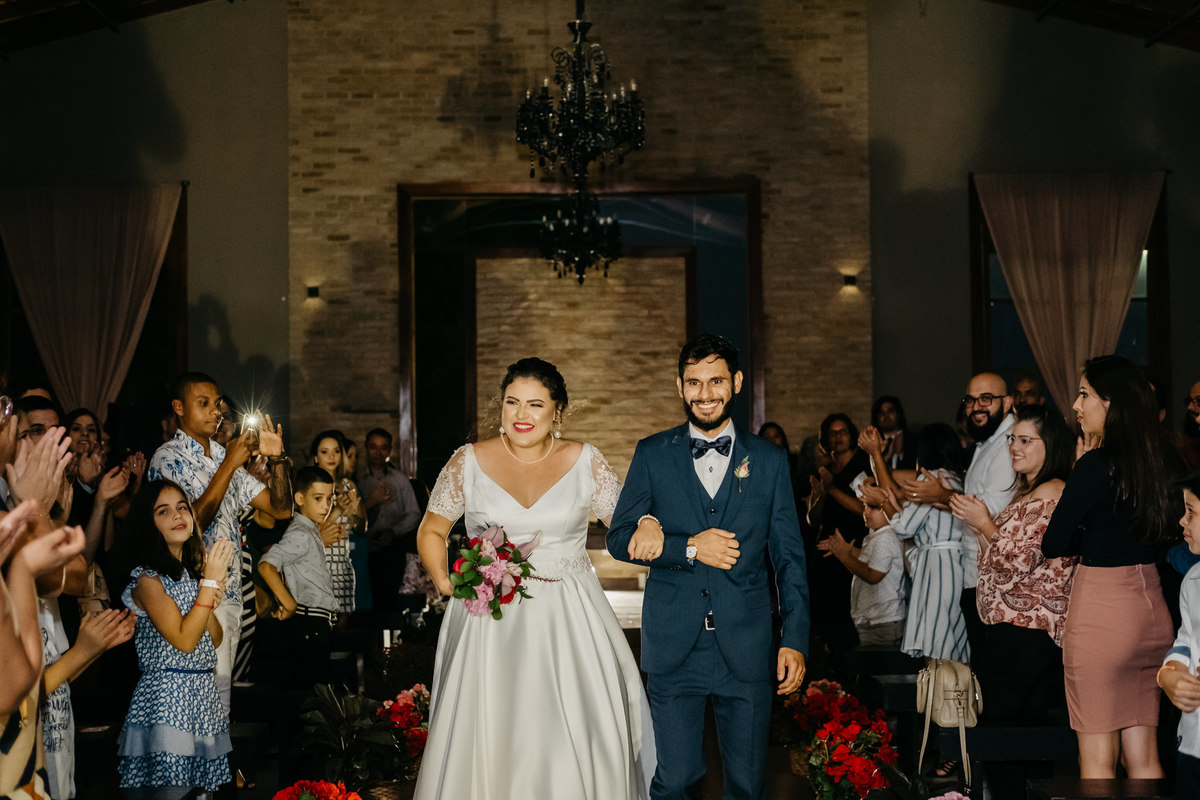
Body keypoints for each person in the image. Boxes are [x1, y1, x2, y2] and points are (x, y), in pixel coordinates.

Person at [415, 357, 654, 800]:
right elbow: (431, 530)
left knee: (572, 730)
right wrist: (447, 583)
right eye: (512, 403)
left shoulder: (586, 461)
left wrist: (652, 523)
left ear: (556, 412)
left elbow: (625, 526)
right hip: (490, 621)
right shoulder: (467, 461)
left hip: (571, 619)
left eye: (535, 405)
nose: (521, 415)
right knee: (491, 729)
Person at [607, 334, 809, 800]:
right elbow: (620, 538)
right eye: (694, 382)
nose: (705, 393)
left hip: (748, 645)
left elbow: (790, 560)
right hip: (674, 646)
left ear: (735, 383)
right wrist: (688, 548)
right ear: (680, 387)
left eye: (715, 380)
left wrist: (794, 639)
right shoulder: (653, 453)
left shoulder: (770, 460)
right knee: (674, 781)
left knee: (746, 786)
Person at [1042, 355, 1176, 779]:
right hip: (1153, 610)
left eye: (1084, 394)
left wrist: (1090, 532)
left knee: (1097, 762)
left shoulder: (1094, 467)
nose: (1077, 405)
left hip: (1102, 612)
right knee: (1145, 759)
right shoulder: (1164, 462)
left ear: (1111, 404)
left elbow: (1053, 543)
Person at [949, 405, 1075, 800]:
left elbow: (1020, 562)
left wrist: (986, 523)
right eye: (1012, 439)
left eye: (1025, 440)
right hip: (1012, 630)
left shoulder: (1052, 491)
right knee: (1017, 729)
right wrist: (982, 528)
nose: (1014, 448)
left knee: (1002, 731)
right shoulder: (1030, 490)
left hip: (1027, 632)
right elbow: (1000, 560)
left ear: (1048, 444)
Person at [147, 372, 292, 713]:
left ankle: (218, 766)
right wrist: (230, 461)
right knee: (199, 706)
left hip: (229, 593)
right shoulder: (167, 458)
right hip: (189, 597)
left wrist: (278, 460)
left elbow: (281, 508)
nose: (216, 412)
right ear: (178, 408)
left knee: (220, 706)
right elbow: (189, 524)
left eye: (217, 405)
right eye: (204, 404)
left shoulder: (222, 457)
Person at [117, 480, 234, 798]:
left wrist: (207, 592)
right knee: (172, 791)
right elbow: (183, 640)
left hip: (201, 695)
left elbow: (215, 638)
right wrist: (208, 585)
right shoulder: (147, 579)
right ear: (148, 523)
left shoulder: (191, 574)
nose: (177, 515)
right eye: (163, 510)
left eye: (183, 507)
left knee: (199, 793)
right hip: (168, 698)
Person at [900, 372, 1017, 663]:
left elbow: (990, 510)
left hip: (995, 578)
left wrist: (940, 496)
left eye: (986, 399)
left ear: (1007, 403)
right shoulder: (985, 443)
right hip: (974, 574)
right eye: (970, 400)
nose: (976, 407)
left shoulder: (1008, 445)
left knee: (990, 672)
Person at [256, 466, 338, 690]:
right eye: (318, 498)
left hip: (315, 624)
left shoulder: (309, 529)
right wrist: (289, 603)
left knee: (315, 697)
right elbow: (266, 565)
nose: (325, 505)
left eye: (329, 498)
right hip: (309, 624)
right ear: (300, 498)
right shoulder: (301, 533)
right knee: (310, 699)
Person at [1158, 471, 1200, 798]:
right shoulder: (1193, 580)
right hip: (1193, 743)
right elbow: (1186, 642)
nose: (1182, 521)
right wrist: (1169, 675)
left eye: (1192, 512)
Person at [817, 502, 907, 647]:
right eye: (865, 506)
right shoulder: (877, 535)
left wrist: (844, 556)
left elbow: (873, 575)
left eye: (874, 507)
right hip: (875, 619)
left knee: (880, 668)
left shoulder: (887, 536)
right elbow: (870, 562)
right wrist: (847, 550)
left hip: (883, 621)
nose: (866, 512)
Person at [359, 428, 421, 610]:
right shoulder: (358, 481)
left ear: (389, 451)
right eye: (373, 447)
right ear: (366, 448)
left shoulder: (401, 481)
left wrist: (393, 531)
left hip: (393, 549)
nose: (378, 453)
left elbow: (414, 514)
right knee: (367, 603)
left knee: (392, 603)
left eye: (383, 448)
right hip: (365, 551)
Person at [309, 431, 362, 620]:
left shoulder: (349, 485)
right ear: (315, 457)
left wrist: (353, 515)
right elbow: (308, 530)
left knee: (342, 629)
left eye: (336, 451)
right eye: (325, 452)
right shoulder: (308, 486)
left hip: (344, 566)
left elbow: (360, 528)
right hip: (318, 565)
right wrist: (339, 510)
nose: (331, 457)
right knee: (321, 624)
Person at [871, 395, 914, 470]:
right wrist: (886, 457)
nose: (886, 416)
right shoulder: (872, 441)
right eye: (881, 412)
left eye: (890, 411)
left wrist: (900, 454)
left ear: (898, 414)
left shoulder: (913, 439)